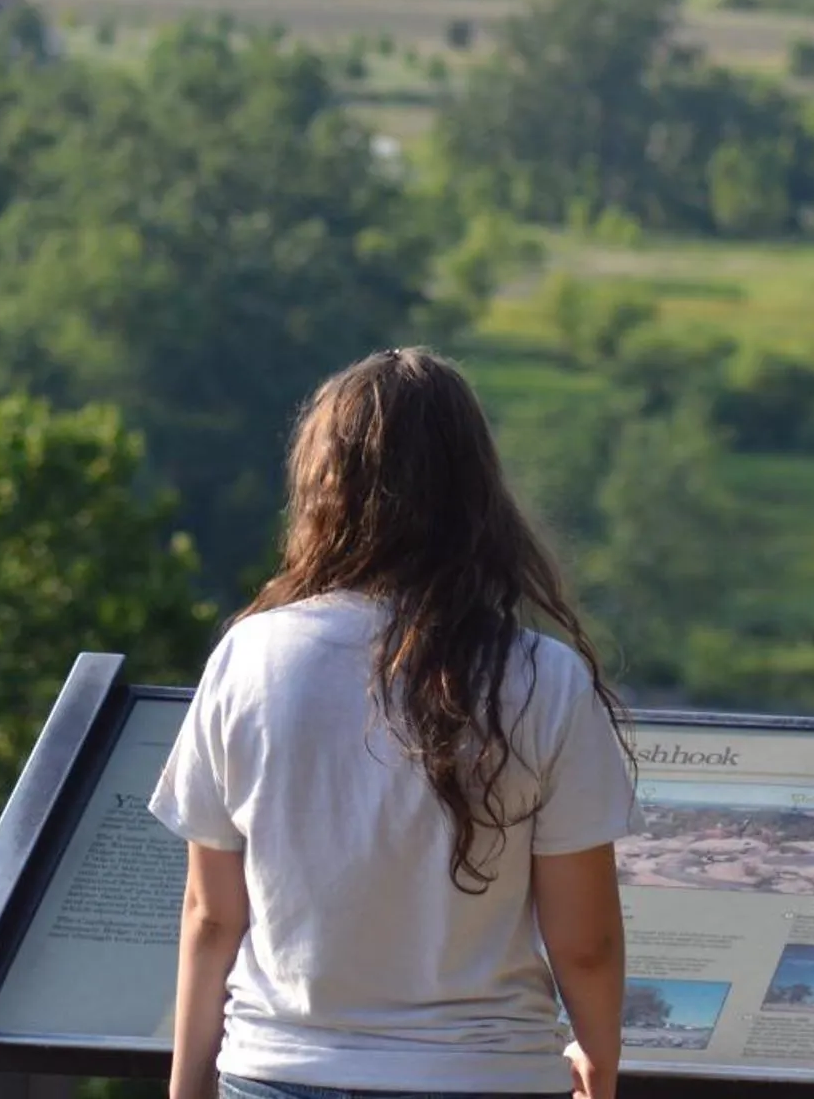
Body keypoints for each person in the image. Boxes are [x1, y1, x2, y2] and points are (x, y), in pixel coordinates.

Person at [152, 348, 636, 1099]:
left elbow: (213, 916)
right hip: (484, 1072)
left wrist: (186, 1088)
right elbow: (587, 942)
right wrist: (599, 1068)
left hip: (278, 1071)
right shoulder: (543, 677)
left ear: (322, 488)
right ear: (478, 492)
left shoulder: (248, 656)